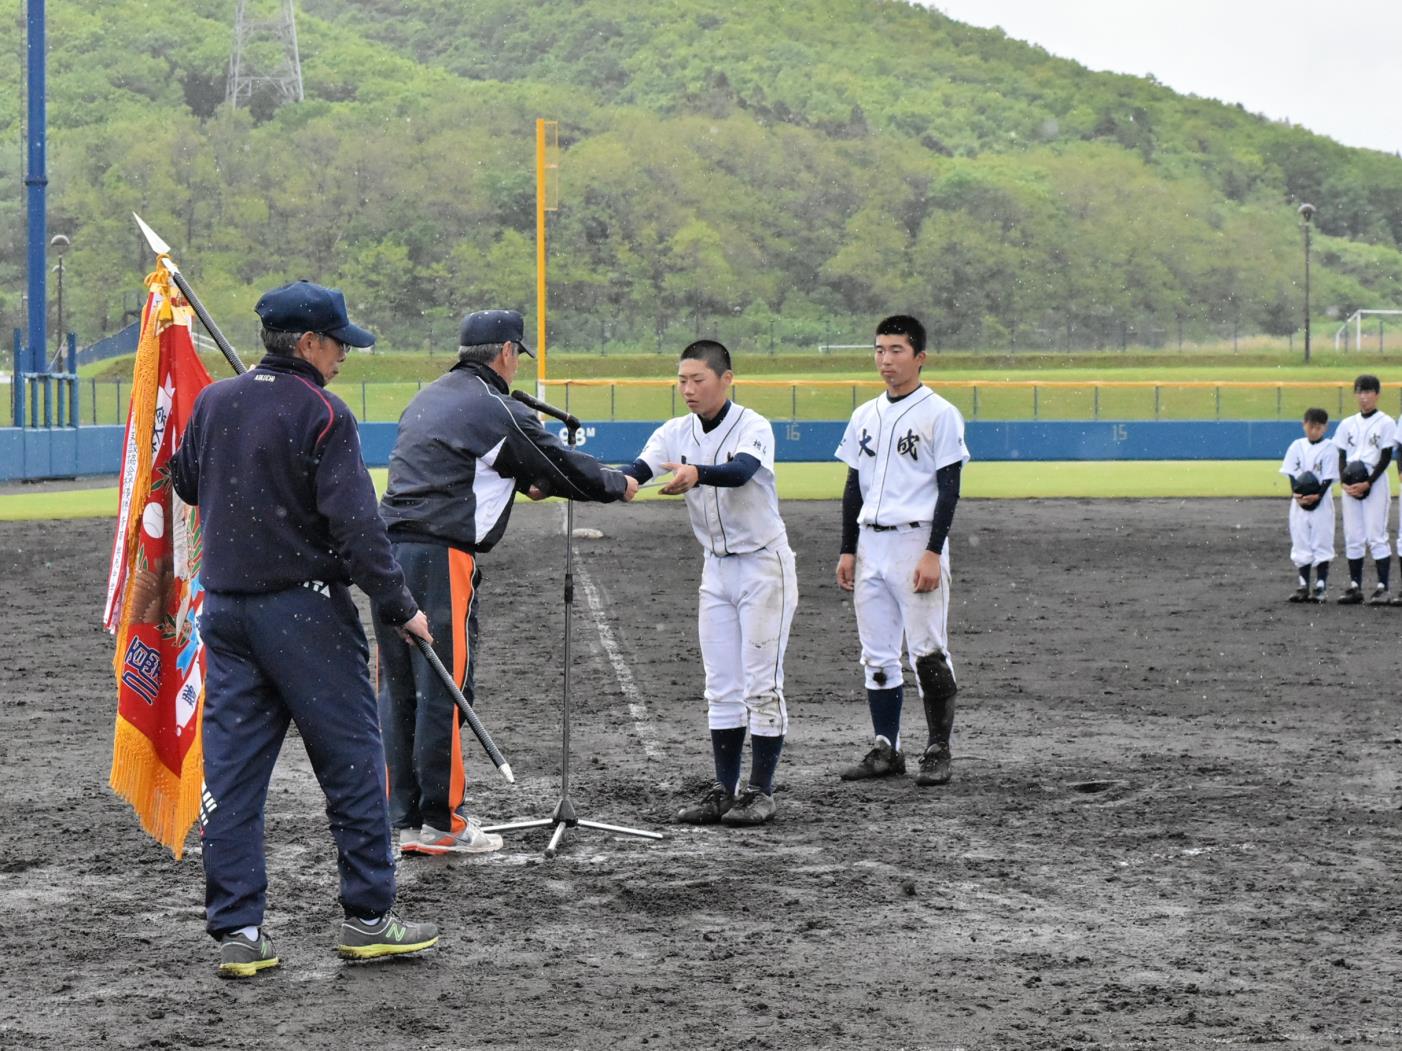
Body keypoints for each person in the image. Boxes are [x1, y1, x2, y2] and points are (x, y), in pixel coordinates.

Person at [169, 280, 438, 978]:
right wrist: (399, 605)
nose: (344, 355)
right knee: (353, 763)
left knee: (231, 775)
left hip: (225, 613)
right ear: (310, 343)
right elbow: (358, 527)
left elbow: (185, 481)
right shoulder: (324, 411)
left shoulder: (215, 400)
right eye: (339, 343)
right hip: (306, 614)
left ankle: (239, 930)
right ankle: (369, 918)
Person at [376, 309, 638, 855]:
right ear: (506, 353)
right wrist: (617, 484)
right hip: (440, 556)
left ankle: (405, 819)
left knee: (400, 688)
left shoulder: (429, 398)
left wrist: (526, 479)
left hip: (390, 555)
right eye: (517, 355)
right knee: (443, 688)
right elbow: (557, 463)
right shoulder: (495, 406)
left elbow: (465, 465)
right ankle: (443, 823)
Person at [619, 339, 797, 826]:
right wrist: (585, 480)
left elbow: (741, 472)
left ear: (726, 379)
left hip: (764, 566)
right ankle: (724, 789)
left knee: (762, 683)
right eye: (682, 380)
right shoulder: (675, 431)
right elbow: (637, 471)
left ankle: (760, 791)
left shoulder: (753, 425)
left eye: (698, 379)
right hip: (716, 569)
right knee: (721, 685)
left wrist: (697, 473)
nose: (688, 389)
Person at [834, 314, 970, 787]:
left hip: (916, 540)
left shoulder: (940, 413)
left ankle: (937, 750)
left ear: (920, 357)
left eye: (896, 350)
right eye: (879, 349)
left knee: (928, 651)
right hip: (870, 542)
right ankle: (886, 748)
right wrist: (848, 549)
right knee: (876, 655)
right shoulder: (864, 414)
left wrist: (933, 551)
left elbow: (949, 488)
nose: (885, 359)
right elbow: (853, 486)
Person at [1333, 374, 1395, 604]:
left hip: (1374, 480)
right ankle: (1355, 587)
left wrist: (1369, 482)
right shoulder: (1347, 424)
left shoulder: (1386, 422)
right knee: (1353, 535)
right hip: (1350, 481)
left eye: (1368, 392)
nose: (1363, 397)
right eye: (1359, 392)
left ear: (1377, 394)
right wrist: (1344, 482)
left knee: (1376, 534)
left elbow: (1386, 456)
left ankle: (1382, 588)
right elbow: (1341, 455)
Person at [1280, 407, 1337, 603]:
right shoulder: (1296, 446)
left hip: (1322, 503)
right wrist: (1297, 496)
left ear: (1325, 428)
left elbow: (1328, 478)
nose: (1314, 431)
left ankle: (1320, 586)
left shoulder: (1330, 447)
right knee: (1301, 540)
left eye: (1319, 427)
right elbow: (1291, 474)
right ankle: (1303, 585)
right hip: (1299, 504)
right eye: (1311, 426)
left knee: (1322, 541)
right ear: (1303, 425)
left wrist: (1317, 497)